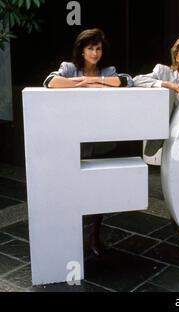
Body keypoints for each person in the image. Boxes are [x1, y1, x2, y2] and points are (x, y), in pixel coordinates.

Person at [44, 28, 133, 256]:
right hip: (73, 139)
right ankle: (69, 235)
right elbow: (50, 82)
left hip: (99, 137)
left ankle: (94, 235)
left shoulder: (108, 70)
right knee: (71, 189)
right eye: (91, 48)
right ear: (82, 50)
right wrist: (82, 83)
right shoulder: (69, 68)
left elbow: (127, 81)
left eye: (99, 48)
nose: (95, 53)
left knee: (98, 189)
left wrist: (95, 79)